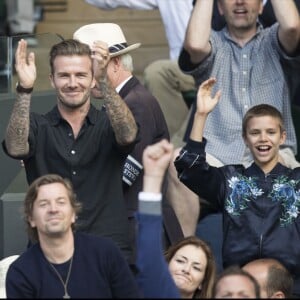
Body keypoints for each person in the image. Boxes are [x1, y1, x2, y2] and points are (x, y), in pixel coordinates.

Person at [168, 0, 300, 241]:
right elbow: (195, 44)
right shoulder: (214, 44)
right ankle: (186, 251)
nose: (240, 1)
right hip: (218, 157)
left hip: (274, 154)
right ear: (219, 8)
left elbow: (292, 26)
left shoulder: (275, 40)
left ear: (262, 6)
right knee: (176, 163)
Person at [2, 38, 139, 265]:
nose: (72, 83)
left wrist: (105, 82)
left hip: (107, 250)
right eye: (64, 75)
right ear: (52, 80)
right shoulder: (38, 125)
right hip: (48, 251)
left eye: (81, 75)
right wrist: (24, 89)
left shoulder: (108, 124)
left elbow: (128, 135)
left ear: (92, 78)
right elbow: (16, 147)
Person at [174, 77, 300, 295]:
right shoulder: (230, 179)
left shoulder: (296, 180)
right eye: (255, 132)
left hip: (290, 285)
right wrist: (201, 115)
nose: (263, 139)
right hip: (239, 286)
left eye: (271, 132)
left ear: (282, 137)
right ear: (244, 138)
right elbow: (190, 168)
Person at [73, 22, 173, 257]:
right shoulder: (130, 99)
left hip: (137, 229)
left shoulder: (136, 102)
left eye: (93, 69)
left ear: (116, 63)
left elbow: (129, 171)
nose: (88, 79)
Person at [5, 174, 141, 298]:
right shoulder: (21, 272)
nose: (53, 209)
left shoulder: (106, 253)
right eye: (43, 204)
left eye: (61, 202)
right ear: (31, 218)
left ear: (73, 215)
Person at [136, 139, 216, 298]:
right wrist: (153, 177)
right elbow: (149, 243)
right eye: (180, 261)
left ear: (202, 282)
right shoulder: (151, 288)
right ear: (166, 264)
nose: (186, 269)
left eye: (197, 268)